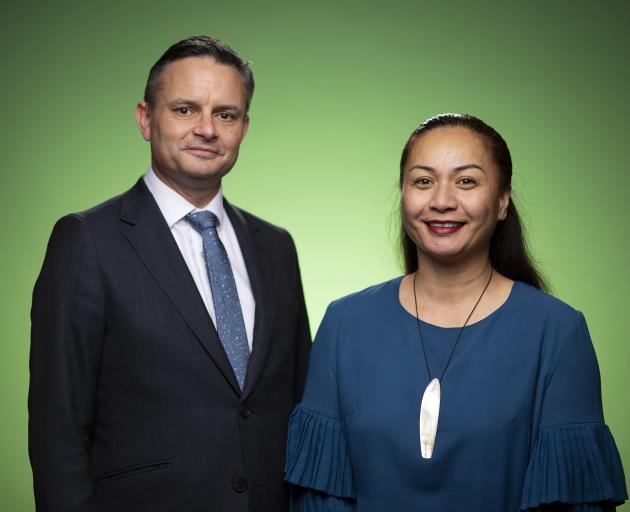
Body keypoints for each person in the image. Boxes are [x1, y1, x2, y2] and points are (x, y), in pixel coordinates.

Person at [285, 113, 627, 511]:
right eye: (423, 181)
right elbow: (317, 498)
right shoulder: (343, 324)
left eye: (466, 181)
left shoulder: (558, 332)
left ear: (502, 202)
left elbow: (573, 504)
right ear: (403, 194)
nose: (442, 201)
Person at [29, 36, 311, 512]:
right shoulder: (88, 241)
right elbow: (58, 430)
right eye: (185, 109)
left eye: (225, 114)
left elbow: (298, 408)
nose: (207, 129)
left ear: (244, 127)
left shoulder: (275, 248)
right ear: (145, 118)